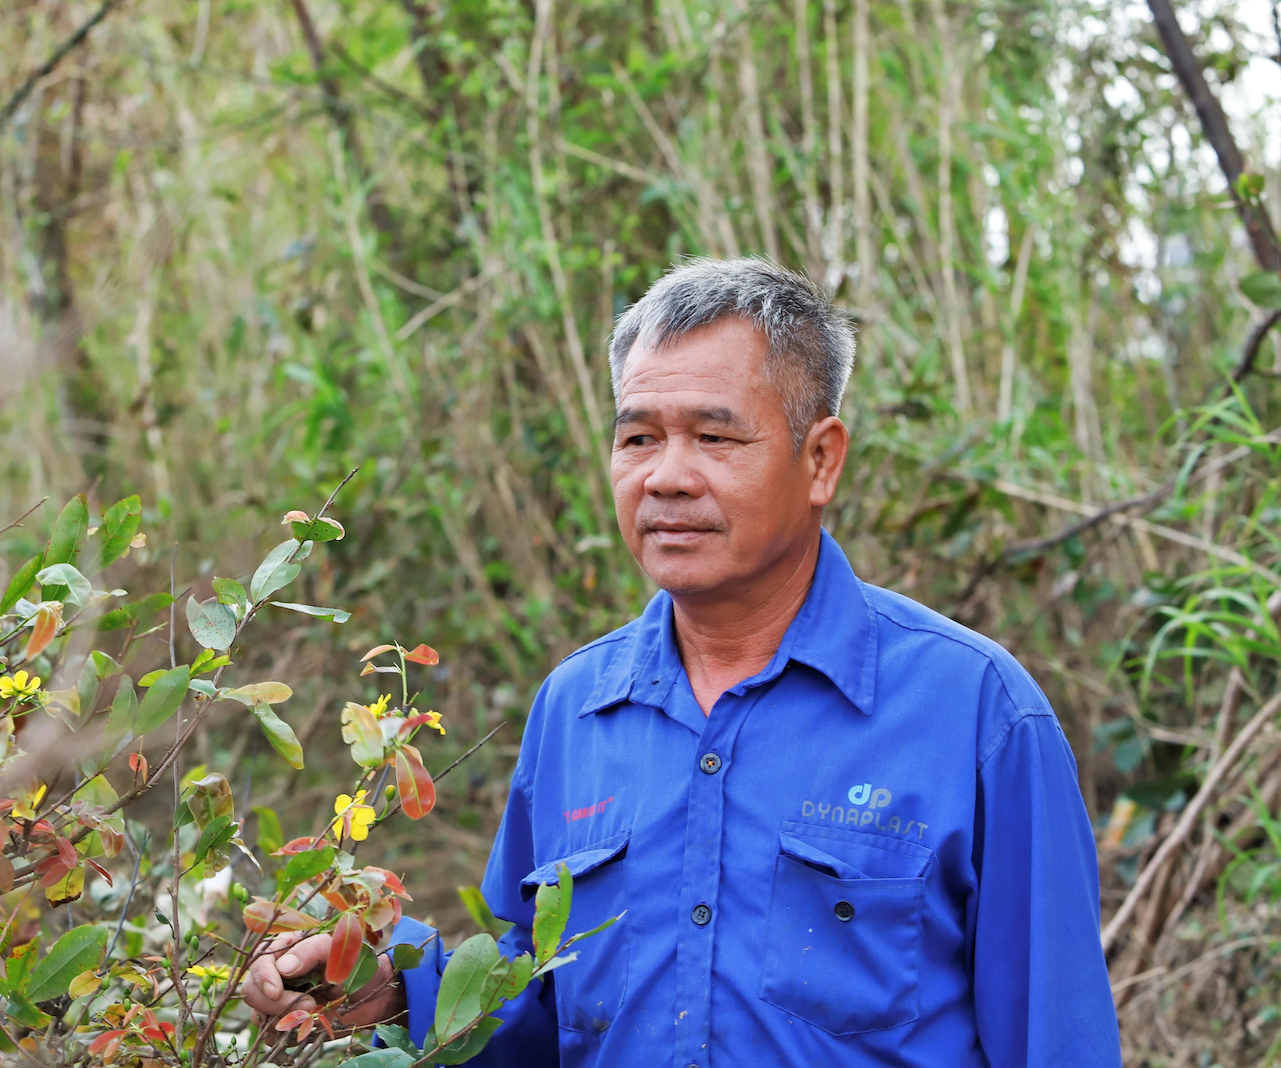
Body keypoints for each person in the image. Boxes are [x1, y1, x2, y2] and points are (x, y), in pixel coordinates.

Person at [243, 257, 1123, 1066]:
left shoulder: (974, 714)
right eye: (638, 439)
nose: (666, 477)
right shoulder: (577, 708)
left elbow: (1057, 1035)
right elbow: (536, 1004)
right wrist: (392, 983)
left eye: (715, 438)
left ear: (820, 459)